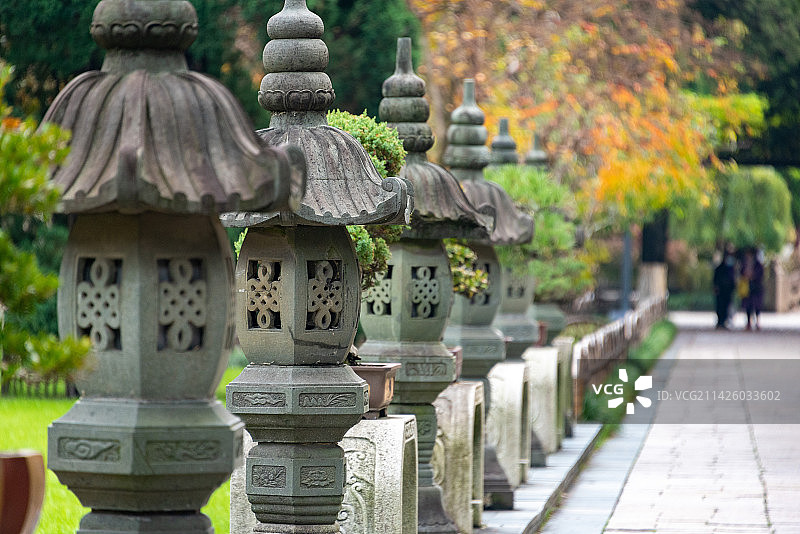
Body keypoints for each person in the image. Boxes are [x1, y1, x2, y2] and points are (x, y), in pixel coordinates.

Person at [739, 247, 765, 330]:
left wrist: (752, 275)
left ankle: (757, 322)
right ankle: (748, 323)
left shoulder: (758, 265)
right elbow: (742, 273)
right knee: (748, 306)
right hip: (748, 288)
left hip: (756, 288)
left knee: (757, 306)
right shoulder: (745, 264)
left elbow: (760, 274)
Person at [713, 250, 736, 329]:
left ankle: (724, 321)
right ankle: (720, 321)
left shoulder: (731, 269)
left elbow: (733, 280)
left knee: (726, 307)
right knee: (720, 307)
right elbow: (715, 279)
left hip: (728, 291)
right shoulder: (720, 269)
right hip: (721, 291)